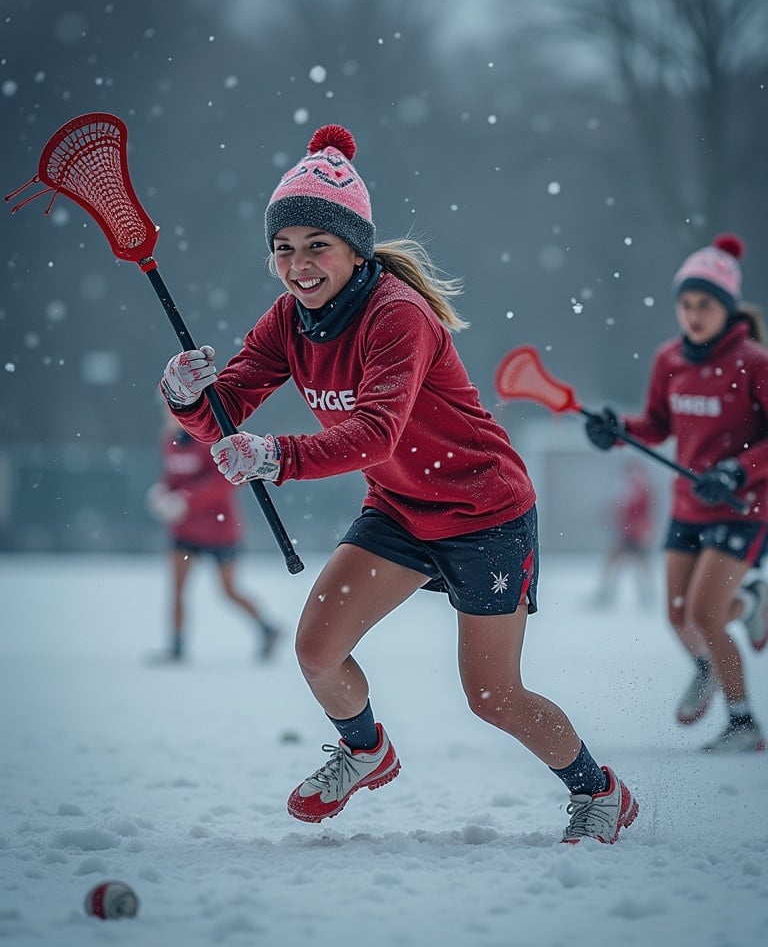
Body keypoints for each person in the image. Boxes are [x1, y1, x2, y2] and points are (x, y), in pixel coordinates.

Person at [157, 123, 638, 844]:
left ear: (355, 247)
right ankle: (365, 750)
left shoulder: (397, 317)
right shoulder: (289, 321)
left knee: (492, 696)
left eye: (317, 245)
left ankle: (600, 791)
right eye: (284, 249)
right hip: (402, 511)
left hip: (486, 513)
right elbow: (228, 411)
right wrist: (189, 397)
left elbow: (375, 433)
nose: (298, 265)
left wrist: (274, 456)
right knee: (316, 649)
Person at [584, 233, 768, 753]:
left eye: (704, 304)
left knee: (706, 615)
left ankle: (742, 722)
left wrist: (737, 470)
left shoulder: (753, 362)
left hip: (742, 506)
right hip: (688, 506)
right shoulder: (670, 359)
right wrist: (616, 427)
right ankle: (736, 625)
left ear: (727, 308)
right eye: (685, 304)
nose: (692, 314)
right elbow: (657, 424)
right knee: (676, 615)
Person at [145, 406, 280, 662]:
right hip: (185, 529)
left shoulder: (207, 438)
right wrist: (162, 494)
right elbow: (172, 478)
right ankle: (176, 646)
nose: (169, 415)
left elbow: (224, 482)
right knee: (177, 587)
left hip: (220, 530)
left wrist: (186, 499)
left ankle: (267, 629)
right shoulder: (170, 441)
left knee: (228, 590)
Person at [589, 460, 657, 608]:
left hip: (635, 534)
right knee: (621, 563)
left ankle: (646, 596)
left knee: (637, 565)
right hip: (630, 533)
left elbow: (633, 510)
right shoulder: (631, 488)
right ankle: (609, 594)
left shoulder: (638, 489)